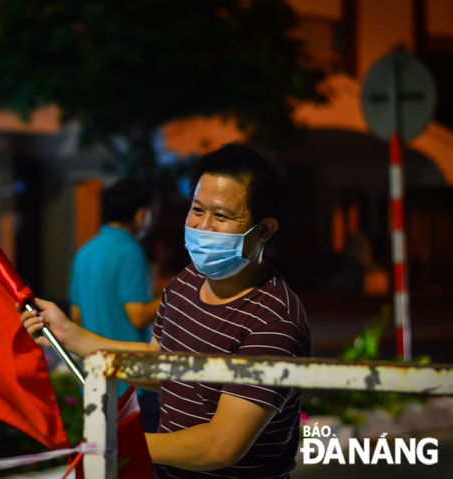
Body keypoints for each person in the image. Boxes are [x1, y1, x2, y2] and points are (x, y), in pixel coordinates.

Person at [22, 142, 311, 479]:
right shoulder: (187, 281)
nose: (203, 226)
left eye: (221, 216)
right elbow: (162, 367)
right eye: (197, 209)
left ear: (265, 230)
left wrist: (120, 444)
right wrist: (69, 335)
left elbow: (219, 446)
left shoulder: (275, 320)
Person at [69, 178, 162, 432]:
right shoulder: (130, 250)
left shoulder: (84, 251)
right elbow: (137, 315)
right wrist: (175, 295)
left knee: (105, 463)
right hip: (133, 384)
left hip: (95, 381)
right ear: (141, 214)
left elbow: (76, 316)